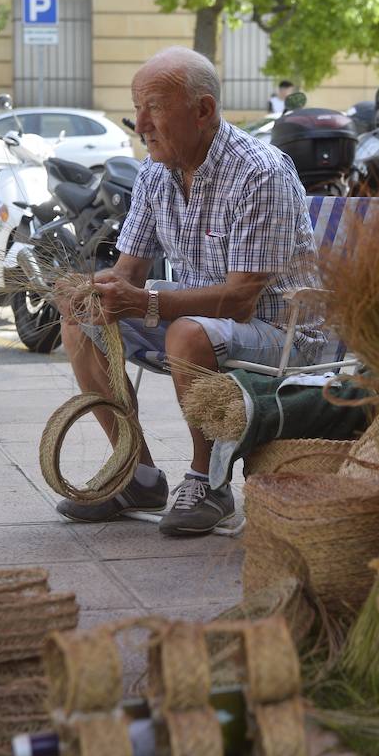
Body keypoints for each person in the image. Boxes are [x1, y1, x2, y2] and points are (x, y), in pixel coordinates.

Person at [56, 46, 323, 536]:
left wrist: (146, 302)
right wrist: (92, 291)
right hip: (205, 324)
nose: (140, 123)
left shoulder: (260, 171)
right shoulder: (156, 173)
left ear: (203, 111)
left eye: (154, 107)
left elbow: (241, 299)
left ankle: (209, 483)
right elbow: (128, 272)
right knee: (83, 318)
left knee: (185, 333)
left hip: (282, 333)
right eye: (137, 108)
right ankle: (135, 473)